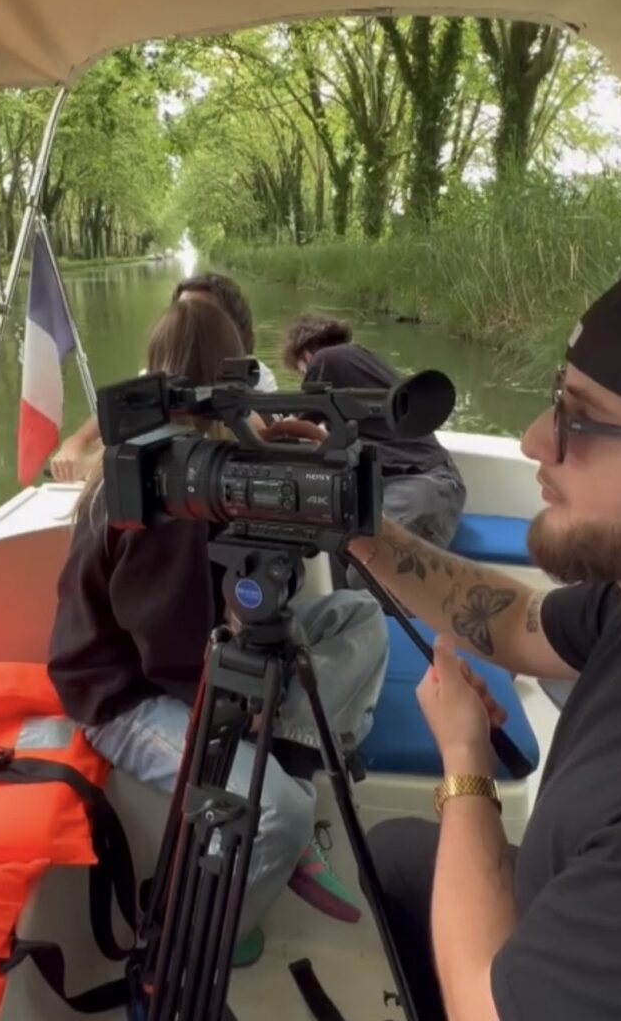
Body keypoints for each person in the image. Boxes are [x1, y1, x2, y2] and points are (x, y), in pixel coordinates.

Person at [347, 250, 621, 1021]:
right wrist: (358, 524)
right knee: (392, 852)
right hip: (563, 891)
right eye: (554, 401)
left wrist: (465, 761)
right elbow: (513, 620)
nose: (536, 439)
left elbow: (482, 1008)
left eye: (582, 420)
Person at [48, 296, 388, 967]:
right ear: (234, 370)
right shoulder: (155, 493)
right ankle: (194, 941)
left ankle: (287, 754)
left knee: (360, 616)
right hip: (125, 694)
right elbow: (164, 645)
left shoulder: (221, 464)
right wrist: (247, 694)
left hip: (194, 652)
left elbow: (252, 583)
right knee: (282, 814)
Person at [280, 313, 466, 586]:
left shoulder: (327, 359)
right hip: (409, 482)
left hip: (424, 482)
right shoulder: (358, 364)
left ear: (306, 355)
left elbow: (294, 427)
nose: (304, 380)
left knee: (365, 572)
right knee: (338, 546)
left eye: (301, 372)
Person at [50, 272, 277, 481]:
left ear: (229, 330)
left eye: (201, 317)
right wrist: (76, 443)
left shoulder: (256, 380)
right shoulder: (158, 380)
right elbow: (114, 413)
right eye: (181, 314)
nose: (186, 327)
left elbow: (263, 434)